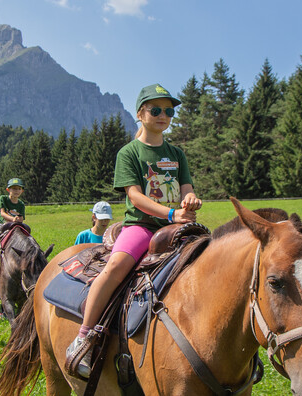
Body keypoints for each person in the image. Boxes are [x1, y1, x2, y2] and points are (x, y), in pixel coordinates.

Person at [65, 84, 202, 378]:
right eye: (156, 109)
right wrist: (170, 213)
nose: (163, 115)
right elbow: (135, 196)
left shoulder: (176, 153)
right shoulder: (129, 153)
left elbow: (186, 186)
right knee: (115, 266)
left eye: (169, 110)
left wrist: (190, 198)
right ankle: (84, 336)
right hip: (141, 225)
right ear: (140, 113)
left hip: (178, 224)